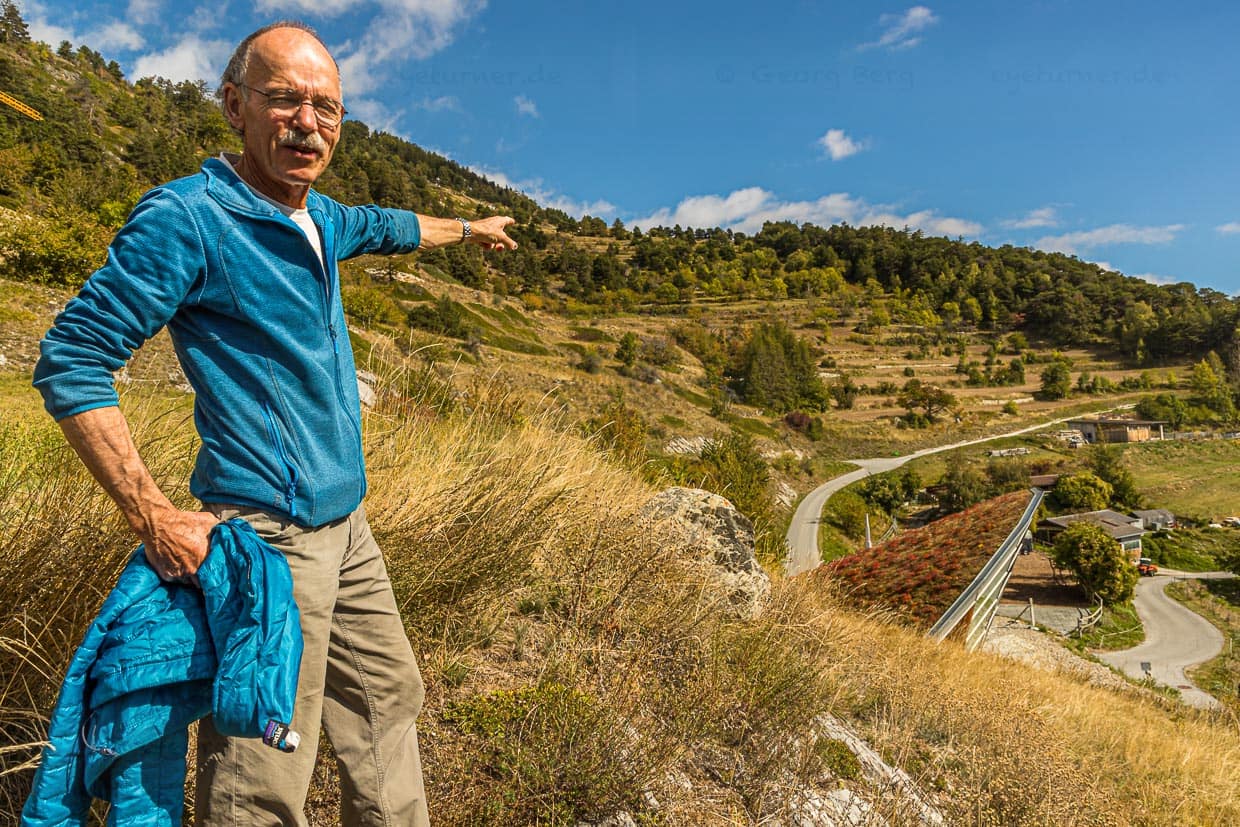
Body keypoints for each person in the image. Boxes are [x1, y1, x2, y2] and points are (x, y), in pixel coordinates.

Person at [32, 20, 517, 826]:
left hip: (349, 528)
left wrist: (471, 229)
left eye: (325, 107)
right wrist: (152, 514)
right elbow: (72, 358)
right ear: (234, 105)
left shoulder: (322, 218)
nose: (308, 123)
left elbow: (391, 225)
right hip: (269, 539)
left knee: (389, 703)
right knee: (263, 770)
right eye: (284, 99)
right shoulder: (190, 219)